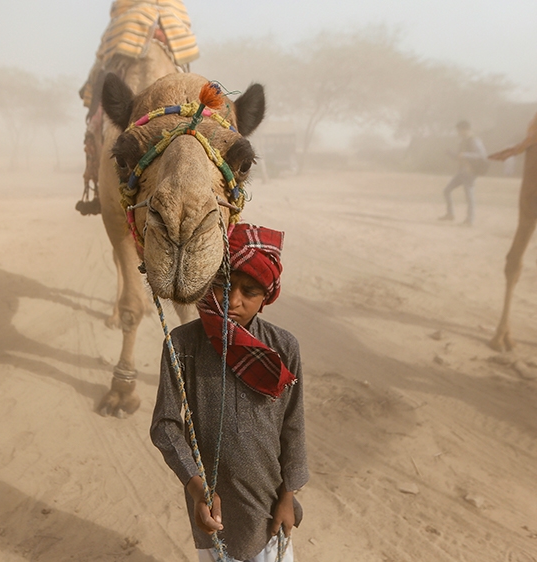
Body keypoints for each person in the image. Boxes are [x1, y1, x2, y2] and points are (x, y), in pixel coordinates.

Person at [151, 223, 308, 562]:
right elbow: (165, 425)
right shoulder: (183, 344)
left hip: (269, 506)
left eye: (249, 291)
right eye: (223, 284)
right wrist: (197, 489)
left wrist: (287, 495)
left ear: (266, 296)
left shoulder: (283, 346)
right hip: (212, 508)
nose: (232, 300)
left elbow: (292, 426)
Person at [77, 0, 199, 215]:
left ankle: (96, 173)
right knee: (190, 94)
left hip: (133, 24)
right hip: (169, 24)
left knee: (100, 84)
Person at [439, 120, 488, 226]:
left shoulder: (474, 140)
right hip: (462, 172)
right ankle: (450, 214)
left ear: (464, 129)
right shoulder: (463, 141)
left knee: (469, 196)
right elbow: (459, 157)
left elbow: (482, 155)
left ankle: (470, 220)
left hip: (470, 172)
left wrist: (465, 155)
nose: (458, 132)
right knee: (447, 191)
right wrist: (450, 154)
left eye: (459, 130)